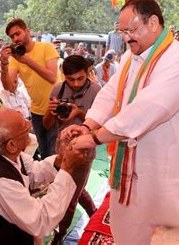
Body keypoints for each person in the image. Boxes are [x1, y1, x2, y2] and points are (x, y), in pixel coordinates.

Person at [64, 0, 179, 245]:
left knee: (170, 234)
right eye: (123, 31)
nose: (127, 38)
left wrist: (94, 138)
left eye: (132, 30)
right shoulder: (131, 57)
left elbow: (147, 109)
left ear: (153, 23)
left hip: (167, 165)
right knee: (130, 228)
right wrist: (88, 125)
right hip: (131, 160)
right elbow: (110, 93)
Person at [0, 108, 93, 245]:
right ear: (12, 145)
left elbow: (32, 172)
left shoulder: (2, 151)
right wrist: (68, 167)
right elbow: (41, 221)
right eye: (24, 127)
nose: (30, 125)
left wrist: (61, 158)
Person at [43, 55, 100, 244]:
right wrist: (50, 111)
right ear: (63, 75)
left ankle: (59, 236)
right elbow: (47, 124)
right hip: (61, 148)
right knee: (72, 187)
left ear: (88, 73)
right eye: (70, 79)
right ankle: (95, 214)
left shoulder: (95, 90)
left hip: (84, 151)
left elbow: (100, 127)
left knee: (69, 198)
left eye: (80, 78)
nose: (75, 84)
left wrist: (80, 113)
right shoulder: (58, 89)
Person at [0, 18, 60, 159]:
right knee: (45, 153)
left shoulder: (46, 47)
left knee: (55, 153)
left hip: (54, 107)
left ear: (27, 31)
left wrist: (26, 60)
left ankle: (57, 181)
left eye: (18, 34)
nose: (15, 39)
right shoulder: (15, 58)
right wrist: (3, 63)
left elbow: (52, 77)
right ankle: (48, 181)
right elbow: (8, 86)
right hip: (36, 111)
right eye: (12, 37)